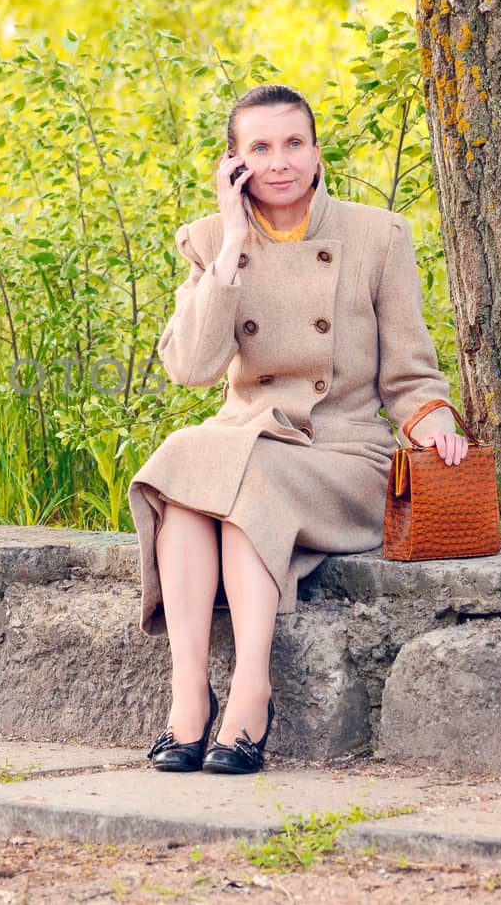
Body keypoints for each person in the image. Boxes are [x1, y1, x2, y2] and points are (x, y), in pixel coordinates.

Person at [126, 84, 470, 775]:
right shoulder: (207, 240)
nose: (279, 161)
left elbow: (408, 372)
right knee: (187, 464)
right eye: (259, 147)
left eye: (293, 143)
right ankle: (189, 696)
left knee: (237, 474)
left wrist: (433, 422)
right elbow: (192, 369)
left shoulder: (378, 235)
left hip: (342, 452)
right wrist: (230, 244)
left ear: (316, 153)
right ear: (234, 163)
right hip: (246, 436)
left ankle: (252, 691)